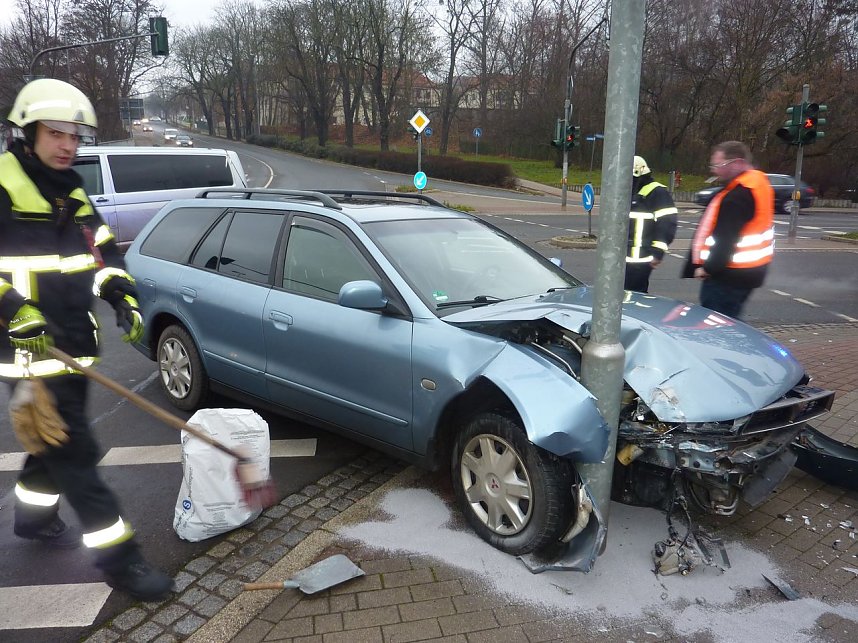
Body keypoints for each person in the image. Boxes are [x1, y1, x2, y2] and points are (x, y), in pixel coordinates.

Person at [0, 78, 173, 600]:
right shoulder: (3, 189)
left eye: (74, 135)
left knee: (49, 446)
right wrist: (15, 311)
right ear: (27, 133)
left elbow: (99, 253)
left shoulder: (70, 190)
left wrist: (121, 294)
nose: (68, 145)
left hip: (74, 346)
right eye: (56, 133)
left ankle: (31, 519)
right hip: (29, 353)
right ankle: (123, 563)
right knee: (77, 453)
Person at [682, 141, 775, 319]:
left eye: (719, 165)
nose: (714, 170)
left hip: (727, 275)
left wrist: (707, 268)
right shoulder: (758, 183)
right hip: (750, 271)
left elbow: (725, 239)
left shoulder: (738, 196)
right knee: (730, 321)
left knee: (718, 326)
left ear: (737, 163)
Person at [624, 155, 678, 292]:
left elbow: (667, 225)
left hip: (640, 260)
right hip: (622, 259)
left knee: (634, 297)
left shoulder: (657, 193)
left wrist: (658, 252)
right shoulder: (629, 192)